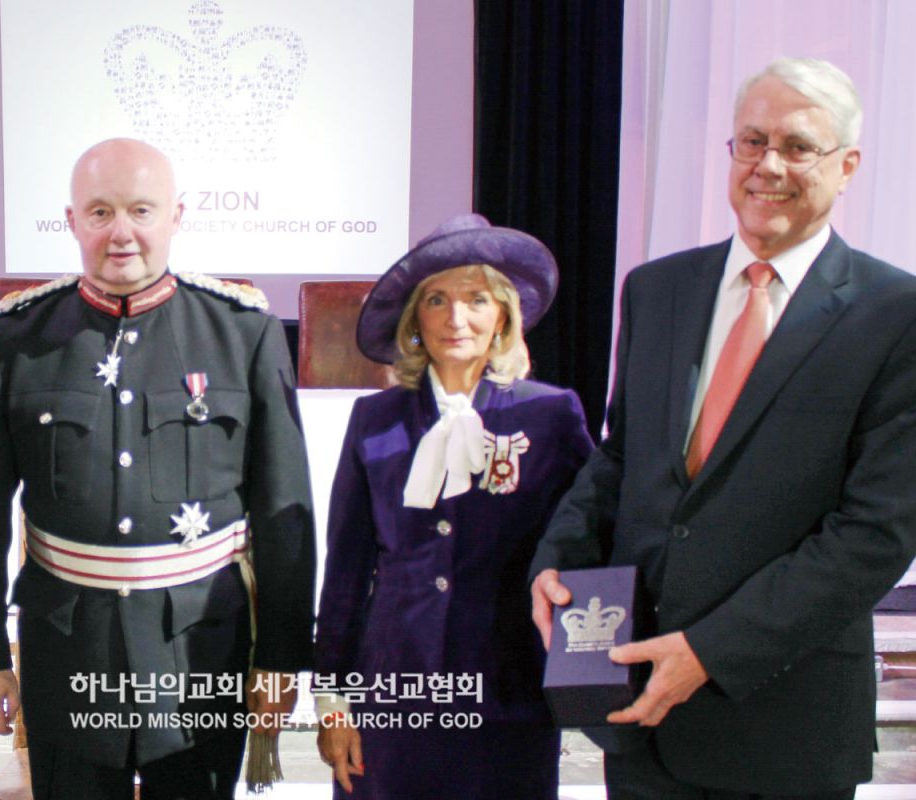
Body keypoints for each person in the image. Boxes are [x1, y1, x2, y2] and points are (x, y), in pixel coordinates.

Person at [530, 57, 916, 799]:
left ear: (847, 166)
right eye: (752, 141)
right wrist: (558, 560)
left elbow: (876, 534)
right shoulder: (657, 289)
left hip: (783, 726)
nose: (768, 165)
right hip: (640, 720)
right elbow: (620, 459)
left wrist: (710, 650)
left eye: (798, 146)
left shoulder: (895, 314)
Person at [0, 137, 316, 799]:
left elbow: (282, 511)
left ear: (176, 216)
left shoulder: (242, 332)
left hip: (200, 651)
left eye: (141, 210)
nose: (121, 232)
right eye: (100, 212)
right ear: (71, 221)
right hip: (67, 649)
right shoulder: (17, 338)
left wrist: (280, 657)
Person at [313, 213, 593, 798]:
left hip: (509, 696)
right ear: (415, 319)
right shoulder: (375, 419)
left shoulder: (551, 415)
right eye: (436, 300)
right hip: (391, 700)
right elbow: (346, 572)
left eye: (475, 299)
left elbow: (587, 541)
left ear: (503, 317)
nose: (455, 318)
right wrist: (333, 699)